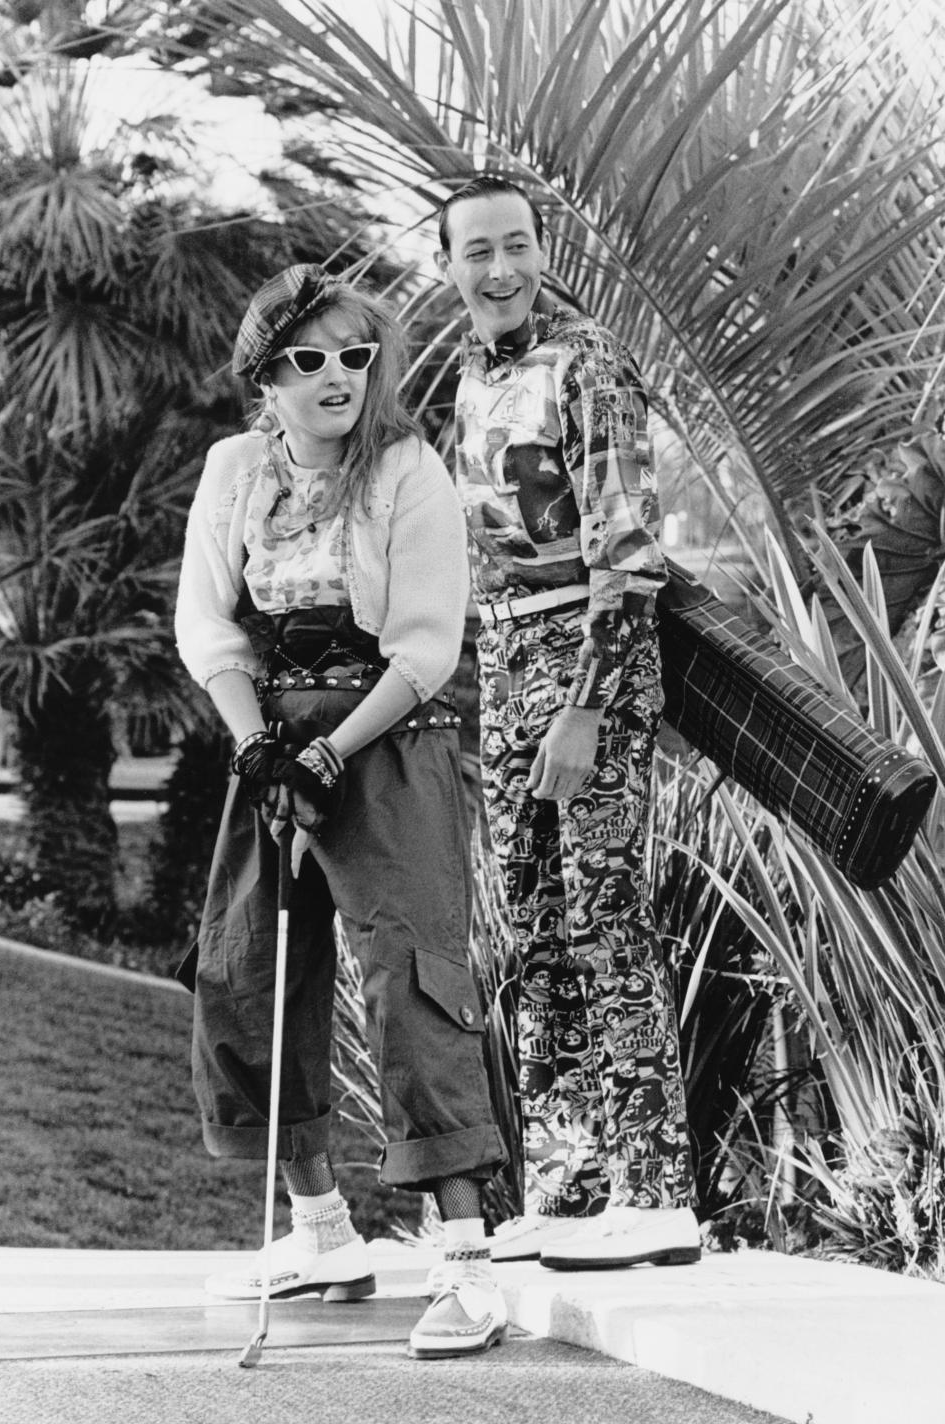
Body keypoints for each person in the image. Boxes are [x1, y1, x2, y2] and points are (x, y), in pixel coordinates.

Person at [174, 262, 509, 1358]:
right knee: (247, 974)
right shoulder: (234, 469)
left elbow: (424, 641)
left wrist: (329, 748)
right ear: (264, 376)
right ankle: (320, 1228)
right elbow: (208, 625)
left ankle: (464, 1259)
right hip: (270, 745)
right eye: (308, 360)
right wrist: (262, 744)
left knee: (411, 976)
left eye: (355, 358)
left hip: (387, 738)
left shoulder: (408, 467)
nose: (336, 378)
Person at [434, 175, 701, 1271]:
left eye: (516, 246)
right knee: (534, 930)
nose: (498, 270)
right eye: (476, 252)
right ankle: (570, 1180)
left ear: (544, 250)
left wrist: (587, 704)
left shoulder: (586, 362)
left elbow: (627, 551)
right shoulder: (467, 379)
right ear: (448, 265)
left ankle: (658, 1190)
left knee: (604, 912)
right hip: (504, 659)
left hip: (590, 656)